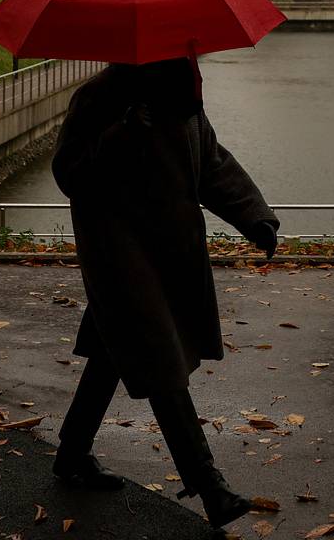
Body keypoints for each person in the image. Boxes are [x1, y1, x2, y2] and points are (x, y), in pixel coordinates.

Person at [50, 55, 279, 528]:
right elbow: (69, 173)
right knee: (161, 364)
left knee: (111, 354)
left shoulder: (181, 96)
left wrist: (255, 217)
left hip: (169, 254)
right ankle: (209, 486)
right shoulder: (100, 98)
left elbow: (212, 163)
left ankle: (71, 454)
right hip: (120, 256)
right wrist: (118, 135)